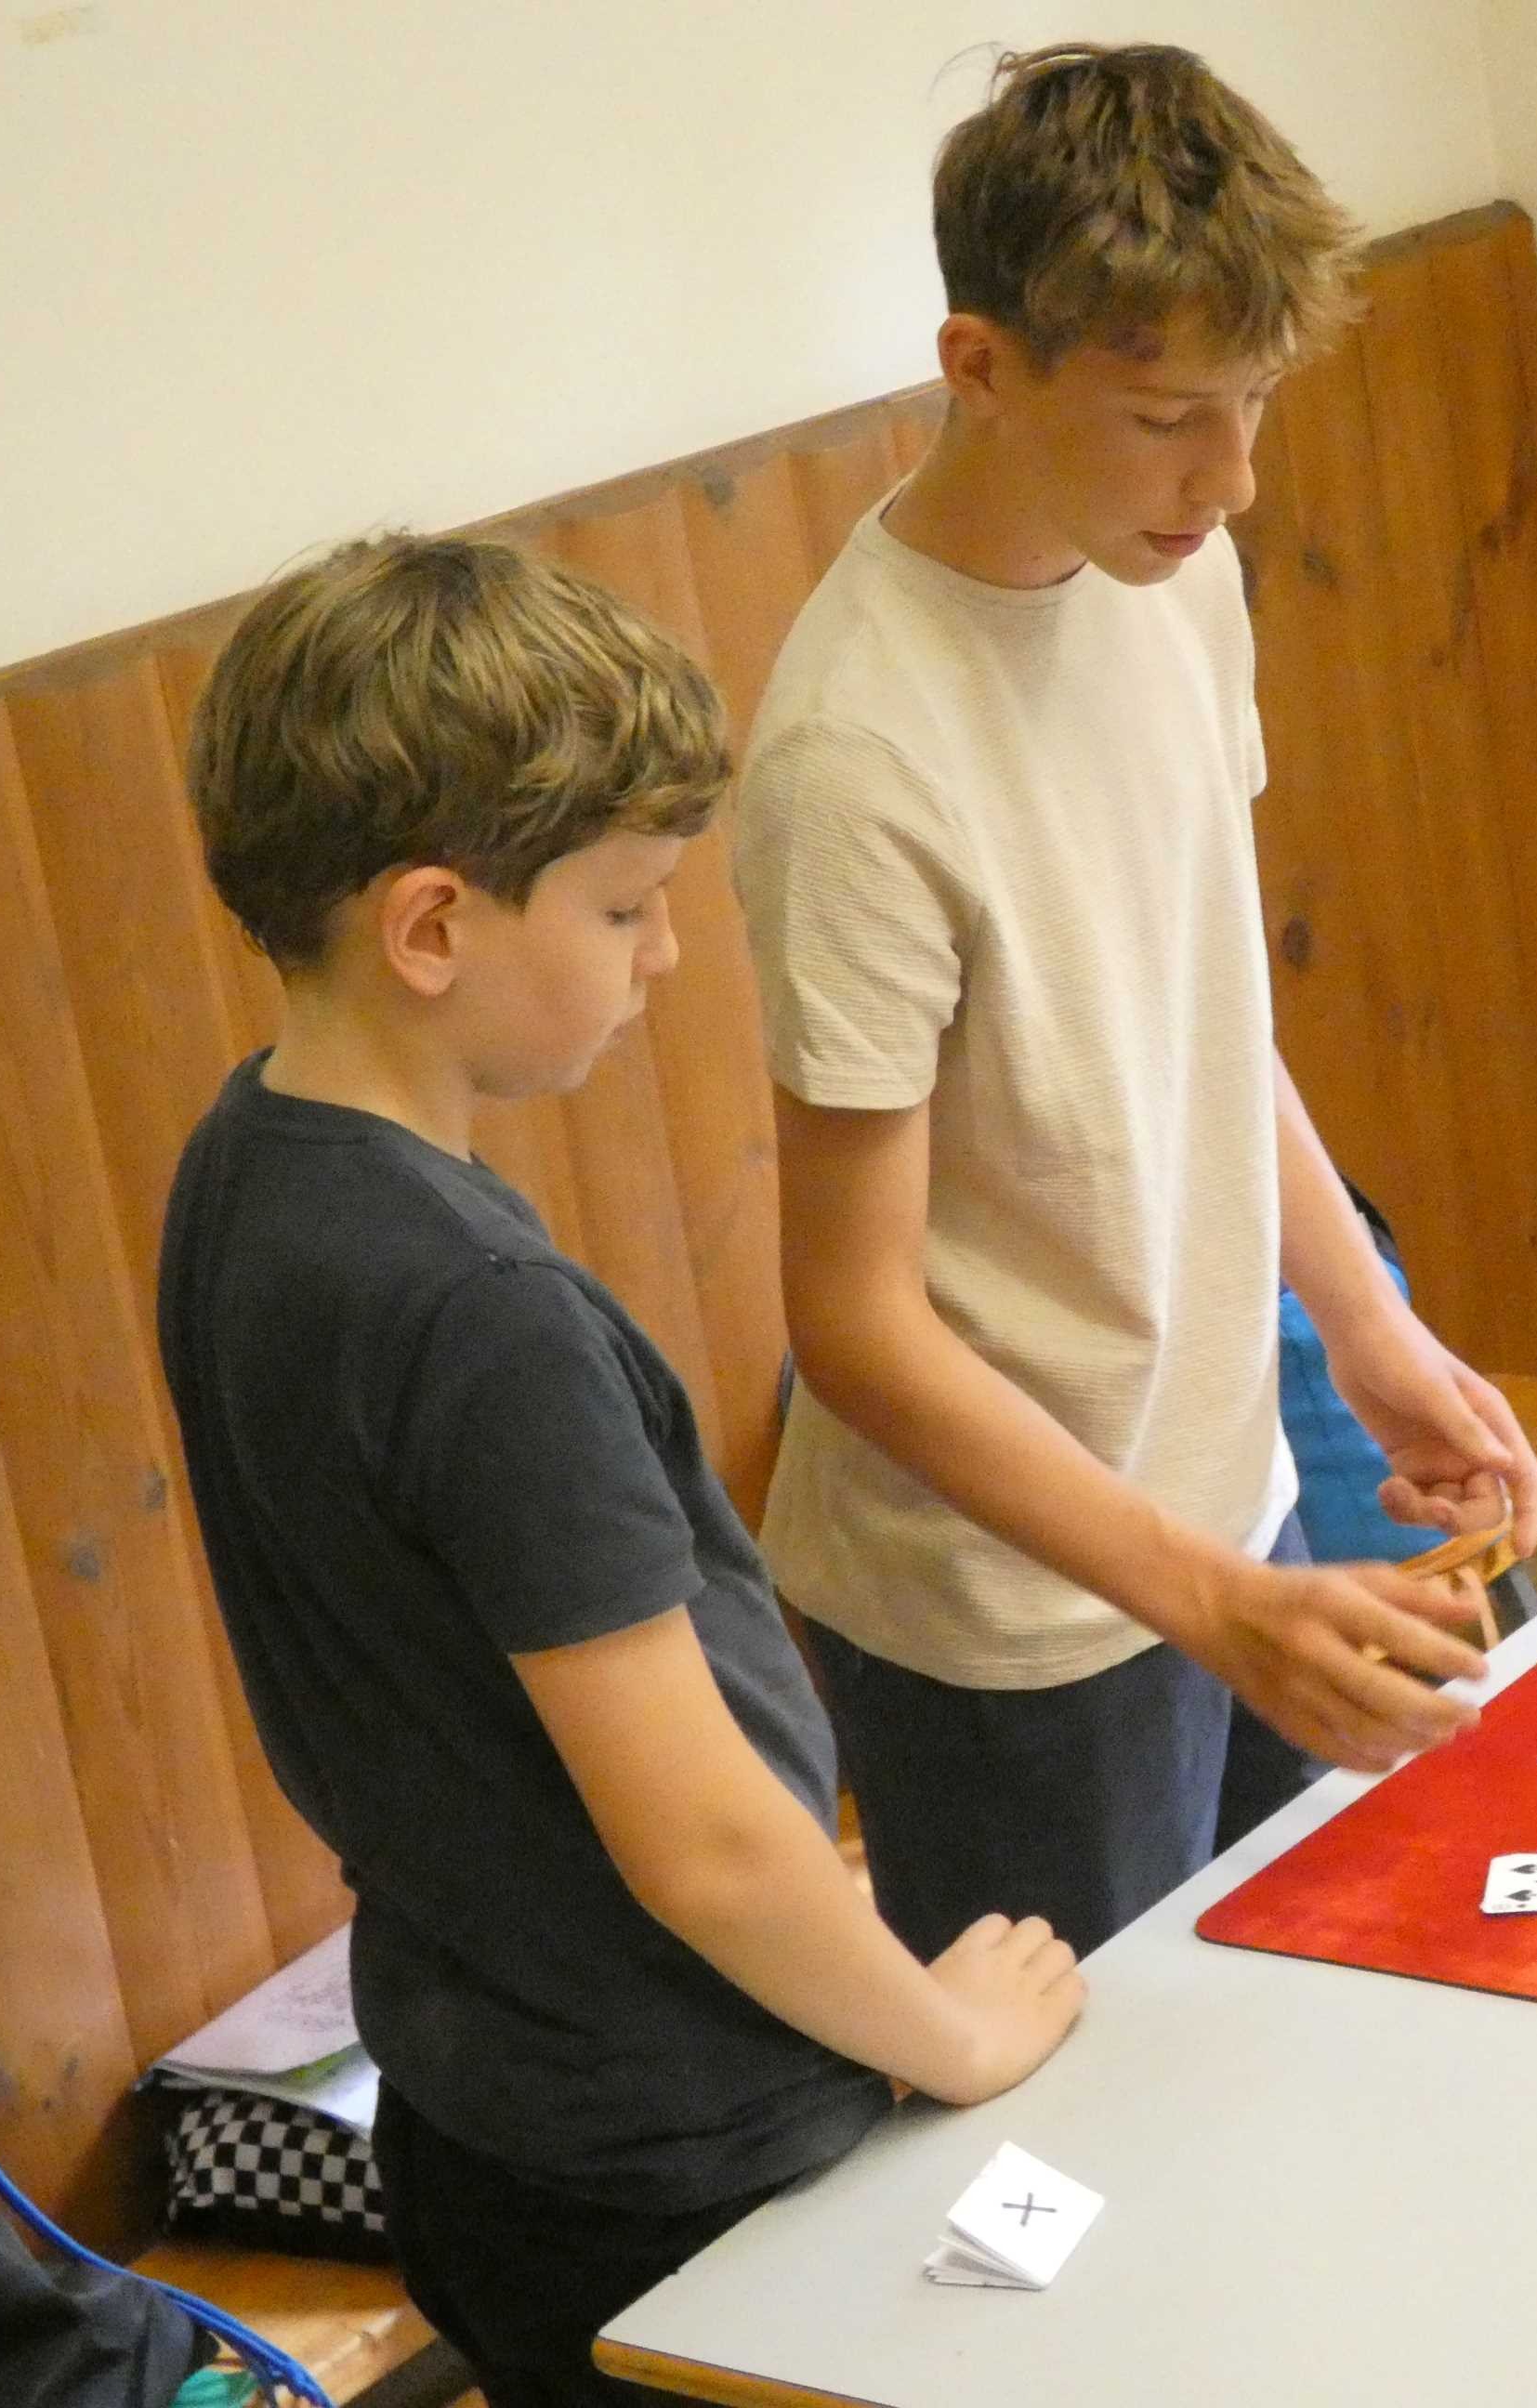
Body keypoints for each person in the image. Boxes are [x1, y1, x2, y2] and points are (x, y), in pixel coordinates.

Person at [157, 533, 1082, 2407]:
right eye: (624, 908)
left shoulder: (243, 1168)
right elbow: (707, 1847)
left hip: (480, 2112)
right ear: (430, 928)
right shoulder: (480, 1316)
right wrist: (947, 2035)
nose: (664, 954)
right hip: (682, 2153)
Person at [732, 42, 1537, 1967]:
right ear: (980, 365)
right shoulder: (857, 756)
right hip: (1012, 1613)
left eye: (1256, 403)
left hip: (1224, 1503)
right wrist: (1205, 1597)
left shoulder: (1176, 578)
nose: (1233, 477)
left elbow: (1200, 1016)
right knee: (1098, 2119)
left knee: (1304, 2006)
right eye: (1172, 415)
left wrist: (1367, 1328)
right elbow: (852, 1325)